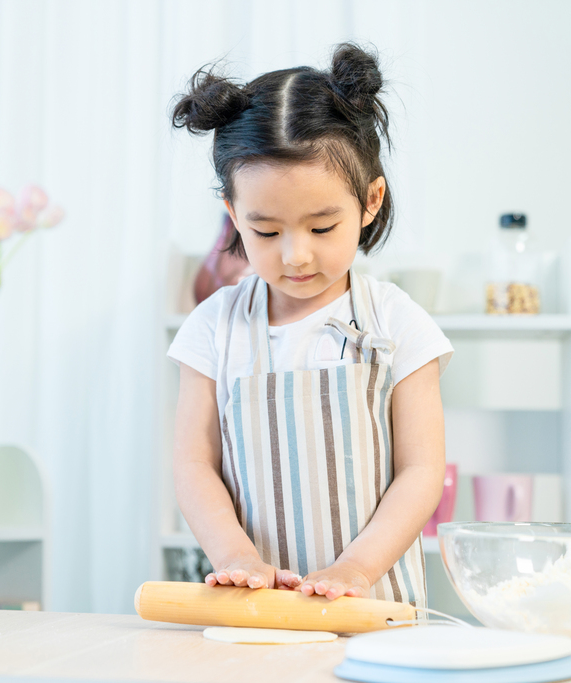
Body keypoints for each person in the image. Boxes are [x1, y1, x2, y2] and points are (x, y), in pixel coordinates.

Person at [167, 43, 453, 608]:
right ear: (232, 213)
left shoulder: (398, 323)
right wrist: (235, 557)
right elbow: (194, 464)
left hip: (374, 609)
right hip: (253, 611)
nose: (295, 256)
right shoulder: (213, 327)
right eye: (267, 232)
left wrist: (356, 568)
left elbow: (420, 471)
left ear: (371, 201)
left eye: (322, 228)